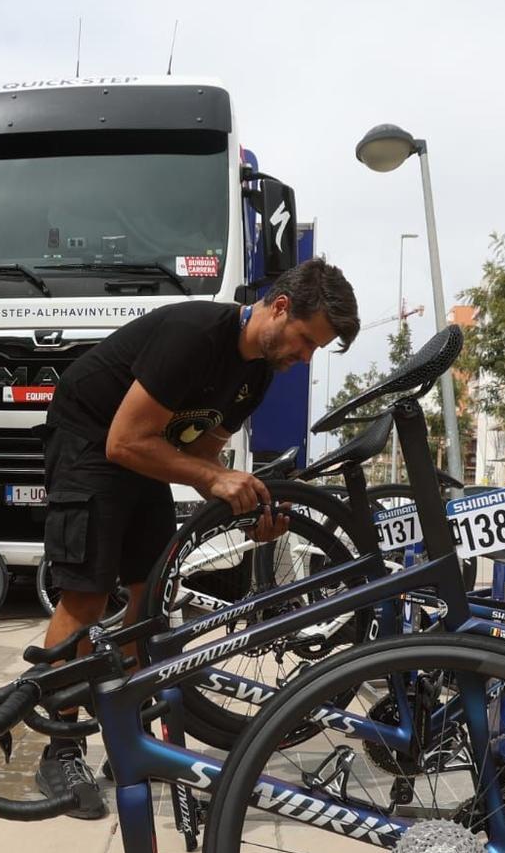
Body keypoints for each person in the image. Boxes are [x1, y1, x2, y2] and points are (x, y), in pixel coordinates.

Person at [35, 257, 361, 816]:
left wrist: (246, 508)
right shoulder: (194, 335)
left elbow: (201, 458)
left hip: (143, 452)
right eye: (307, 341)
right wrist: (215, 478)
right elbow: (123, 441)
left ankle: (128, 742)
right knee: (85, 595)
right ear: (279, 307)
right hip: (93, 442)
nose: (304, 358)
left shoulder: (256, 374)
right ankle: (60, 749)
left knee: (149, 602)